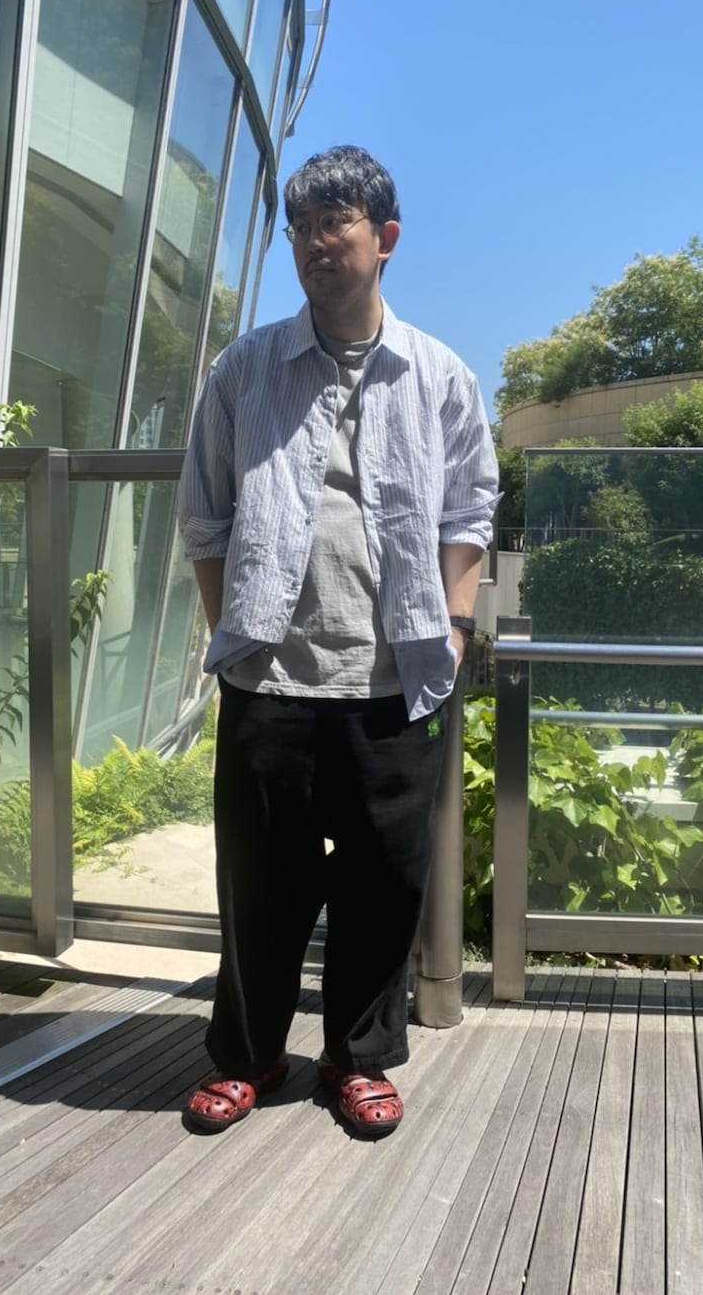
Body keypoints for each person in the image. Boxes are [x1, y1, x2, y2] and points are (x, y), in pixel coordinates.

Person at [176, 145, 498, 1138]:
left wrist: (451, 627)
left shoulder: (439, 374)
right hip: (270, 676)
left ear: (384, 237)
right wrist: (235, 634)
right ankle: (248, 1054)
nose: (315, 243)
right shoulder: (245, 368)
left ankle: (356, 1058)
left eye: (335, 223)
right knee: (258, 885)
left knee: (382, 886)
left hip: (395, 676)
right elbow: (205, 515)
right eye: (301, 228)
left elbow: (470, 512)